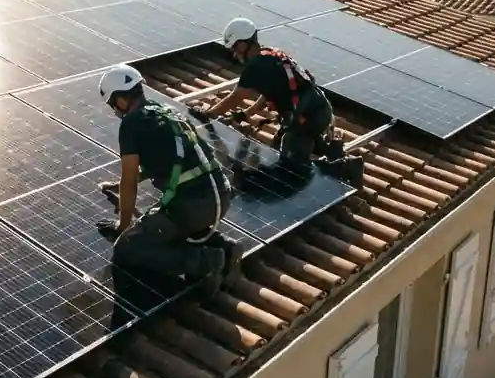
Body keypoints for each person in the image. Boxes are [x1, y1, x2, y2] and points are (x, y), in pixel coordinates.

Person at [96, 64, 238, 295]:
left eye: (113, 104)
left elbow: (129, 180)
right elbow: (172, 161)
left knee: (127, 249)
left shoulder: (131, 124)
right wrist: (117, 185)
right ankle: (225, 246)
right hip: (221, 193)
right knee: (168, 230)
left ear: (120, 99)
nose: (115, 110)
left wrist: (121, 227)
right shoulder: (166, 111)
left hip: (192, 207)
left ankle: (205, 261)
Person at [191, 17, 335, 170]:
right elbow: (269, 92)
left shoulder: (256, 65)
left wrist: (207, 115)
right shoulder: (269, 55)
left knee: (291, 168)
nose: (234, 54)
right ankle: (321, 152)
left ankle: (338, 168)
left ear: (242, 44)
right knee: (277, 149)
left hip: (310, 117)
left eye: (234, 48)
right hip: (317, 110)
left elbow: (236, 97)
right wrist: (246, 114)